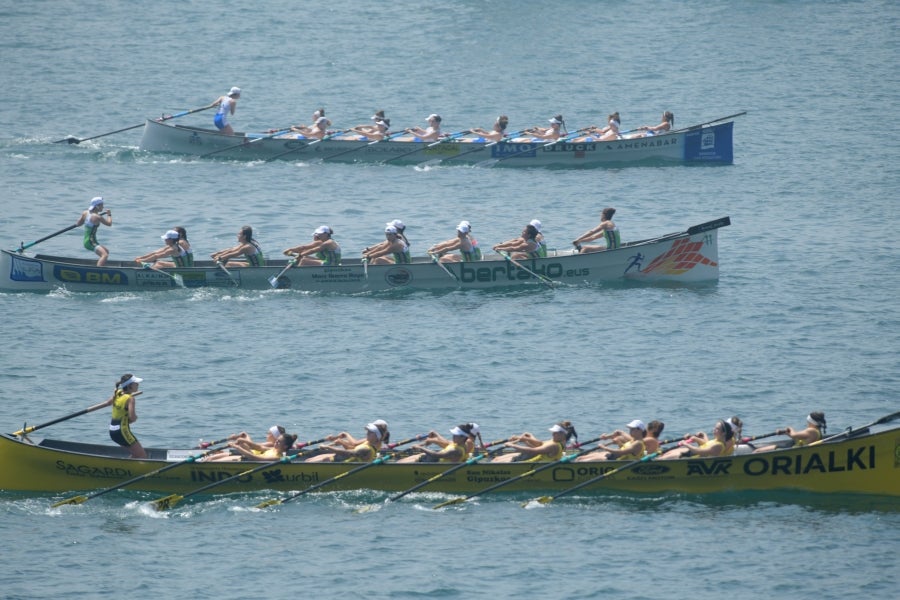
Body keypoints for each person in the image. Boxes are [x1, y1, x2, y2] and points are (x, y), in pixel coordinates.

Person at [99, 374, 146, 459]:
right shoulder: (130, 399)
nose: (138, 385)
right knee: (142, 455)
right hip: (122, 432)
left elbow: (108, 403)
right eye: (136, 383)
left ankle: (125, 469)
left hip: (113, 432)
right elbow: (132, 418)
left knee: (136, 454)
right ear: (129, 385)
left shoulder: (118, 392)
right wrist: (135, 418)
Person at [492, 421, 577, 463]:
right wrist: (527, 437)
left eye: (555, 433)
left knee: (496, 460)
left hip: (528, 465)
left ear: (562, 434)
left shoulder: (554, 446)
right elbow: (540, 444)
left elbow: (532, 450)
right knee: (496, 459)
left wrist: (512, 445)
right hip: (532, 461)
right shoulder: (556, 441)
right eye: (553, 432)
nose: (553, 434)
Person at [305, 421, 389, 463]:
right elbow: (352, 447)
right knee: (308, 460)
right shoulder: (370, 441)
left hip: (341, 462)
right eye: (368, 431)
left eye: (370, 432)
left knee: (309, 462)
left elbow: (347, 453)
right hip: (339, 457)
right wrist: (342, 442)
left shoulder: (367, 449)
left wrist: (328, 447)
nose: (367, 433)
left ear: (377, 436)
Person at [396, 424, 480, 463]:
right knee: (399, 462)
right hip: (428, 458)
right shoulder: (459, 444)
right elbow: (445, 443)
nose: (453, 436)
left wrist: (420, 447)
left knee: (399, 464)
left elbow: (436, 455)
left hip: (431, 462)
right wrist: (435, 436)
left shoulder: (457, 450)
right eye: (453, 434)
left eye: (456, 435)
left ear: (463, 437)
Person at [754, 412, 826, 453]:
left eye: (807, 422)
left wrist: (790, 428)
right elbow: (797, 438)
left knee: (757, 451)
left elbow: (794, 435)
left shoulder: (811, 431)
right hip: (793, 448)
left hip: (791, 450)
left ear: (810, 421)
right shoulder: (816, 431)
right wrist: (784, 433)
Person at [660, 419, 733, 459]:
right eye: (714, 428)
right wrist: (696, 438)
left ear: (723, 433)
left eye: (717, 429)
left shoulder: (719, 446)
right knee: (666, 453)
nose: (714, 430)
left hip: (691, 457)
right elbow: (705, 444)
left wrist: (685, 444)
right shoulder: (716, 440)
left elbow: (699, 451)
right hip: (690, 453)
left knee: (663, 458)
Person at [576, 420, 647, 461]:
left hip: (615, 461)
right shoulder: (633, 439)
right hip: (612, 456)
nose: (630, 431)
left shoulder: (638, 444)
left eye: (632, 429)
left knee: (581, 460)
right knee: (580, 457)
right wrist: (606, 437)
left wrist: (604, 448)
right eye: (630, 429)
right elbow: (620, 432)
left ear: (640, 431)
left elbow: (620, 452)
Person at [207, 431, 298, 462]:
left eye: (279, 442)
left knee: (211, 461)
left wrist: (237, 447)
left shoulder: (277, 457)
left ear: (285, 446)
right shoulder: (273, 449)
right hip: (244, 457)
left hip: (246, 461)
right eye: (276, 440)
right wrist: (244, 440)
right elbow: (259, 447)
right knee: (210, 459)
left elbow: (255, 458)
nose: (276, 442)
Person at [75, 196, 112, 266]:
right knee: (105, 255)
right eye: (102, 205)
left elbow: (78, 224)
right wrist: (109, 214)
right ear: (97, 206)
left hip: (90, 241)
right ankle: (99, 271)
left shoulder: (85, 213)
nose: (103, 207)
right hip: (90, 241)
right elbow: (109, 224)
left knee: (106, 251)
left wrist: (85, 221)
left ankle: (101, 266)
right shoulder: (97, 217)